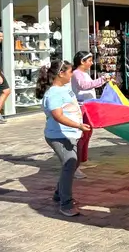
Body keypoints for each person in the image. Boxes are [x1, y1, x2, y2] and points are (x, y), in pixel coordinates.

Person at [38, 60, 90, 217]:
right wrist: (78, 126)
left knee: (74, 162)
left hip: (70, 134)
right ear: (61, 74)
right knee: (70, 163)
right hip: (58, 136)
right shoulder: (53, 93)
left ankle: (59, 193)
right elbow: (58, 116)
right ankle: (65, 204)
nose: (72, 74)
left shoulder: (65, 88)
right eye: (69, 72)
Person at [71, 51, 112, 180]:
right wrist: (102, 79)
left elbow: (90, 85)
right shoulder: (77, 74)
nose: (91, 63)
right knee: (82, 136)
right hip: (82, 109)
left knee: (87, 135)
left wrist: (104, 81)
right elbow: (84, 86)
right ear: (82, 62)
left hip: (88, 107)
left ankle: (81, 161)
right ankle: (75, 166)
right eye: (89, 60)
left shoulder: (83, 74)